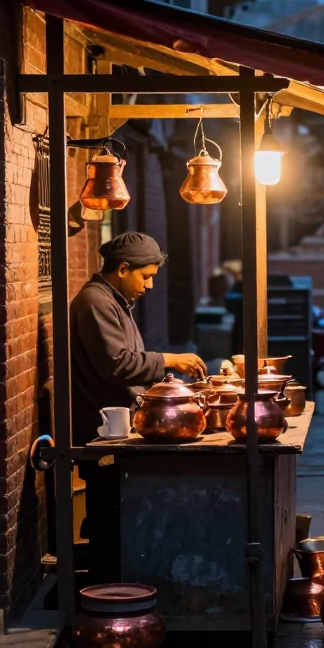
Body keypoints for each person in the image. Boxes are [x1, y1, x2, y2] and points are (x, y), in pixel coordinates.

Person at [70, 232, 206, 580]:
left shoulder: (113, 301)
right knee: (109, 517)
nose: (147, 286)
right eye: (144, 276)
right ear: (123, 268)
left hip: (118, 429)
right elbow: (117, 363)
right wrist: (169, 360)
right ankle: (106, 591)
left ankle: (118, 583)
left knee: (119, 515)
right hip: (103, 431)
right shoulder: (95, 302)